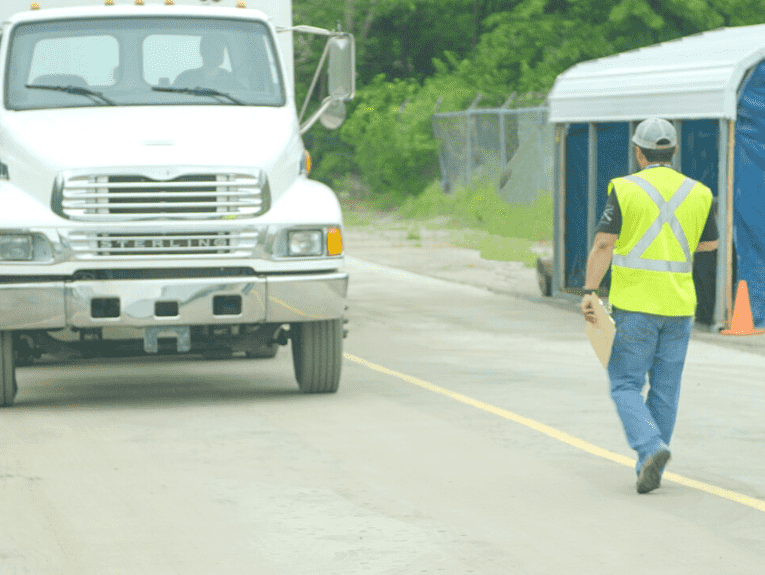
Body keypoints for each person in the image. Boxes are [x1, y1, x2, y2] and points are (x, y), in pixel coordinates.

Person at [580, 117, 719, 494]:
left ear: (637, 152)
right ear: (673, 151)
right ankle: (648, 464)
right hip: (679, 305)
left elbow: (604, 244)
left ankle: (650, 447)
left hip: (636, 304)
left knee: (624, 383)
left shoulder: (625, 189)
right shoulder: (700, 193)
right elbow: (709, 246)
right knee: (665, 389)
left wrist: (590, 290)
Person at [174, 34, 241, 90]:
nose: (220, 53)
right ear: (202, 51)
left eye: (221, 49)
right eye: (215, 48)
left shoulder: (230, 80)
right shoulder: (185, 79)